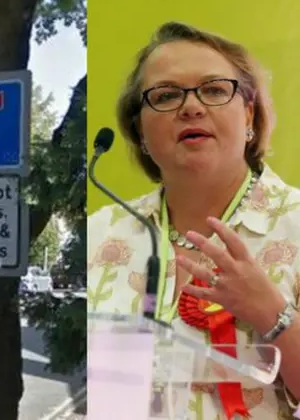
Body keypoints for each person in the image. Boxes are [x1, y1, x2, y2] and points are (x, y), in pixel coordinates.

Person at [87, 22, 300, 419]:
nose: (191, 106)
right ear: (141, 132)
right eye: (166, 95)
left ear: (249, 116)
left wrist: (272, 313)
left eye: (215, 90)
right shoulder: (102, 232)